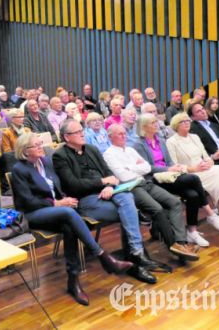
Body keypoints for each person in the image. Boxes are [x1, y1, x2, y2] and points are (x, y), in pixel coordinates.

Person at [11, 133, 133, 306]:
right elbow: (27, 201)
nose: (41, 147)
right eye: (36, 145)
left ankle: (73, 282)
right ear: (25, 151)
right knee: (69, 215)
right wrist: (57, 203)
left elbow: (58, 187)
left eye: (40, 143)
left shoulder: (45, 162)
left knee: (70, 227)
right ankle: (103, 256)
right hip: (33, 213)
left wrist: (67, 200)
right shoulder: (19, 169)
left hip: (56, 211)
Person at [52, 120, 159, 284]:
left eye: (82, 130)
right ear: (67, 137)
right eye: (77, 132)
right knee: (128, 211)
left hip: (108, 193)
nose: (83, 133)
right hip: (86, 199)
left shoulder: (92, 149)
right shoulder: (60, 156)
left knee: (126, 197)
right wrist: (103, 182)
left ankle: (136, 254)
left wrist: (109, 186)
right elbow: (73, 185)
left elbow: (109, 173)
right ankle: (137, 260)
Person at [103, 124, 199, 261]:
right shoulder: (108, 154)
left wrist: (130, 167)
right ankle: (174, 245)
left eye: (124, 133)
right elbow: (124, 176)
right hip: (131, 188)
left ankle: (182, 243)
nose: (124, 136)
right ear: (110, 137)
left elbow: (147, 167)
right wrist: (137, 166)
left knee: (175, 202)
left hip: (145, 183)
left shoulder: (130, 150)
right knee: (157, 209)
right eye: (119, 134)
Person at [135, 113, 219, 247]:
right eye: (153, 123)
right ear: (144, 127)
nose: (157, 125)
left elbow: (169, 161)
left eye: (156, 122)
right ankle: (210, 214)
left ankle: (192, 230)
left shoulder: (160, 140)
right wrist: (168, 169)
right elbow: (146, 168)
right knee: (194, 178)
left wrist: (174, 166)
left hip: (171, 176)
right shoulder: (139, 144)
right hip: (156, 180)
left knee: (193, 195)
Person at [165, 113, 219, 237]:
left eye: (188, 120)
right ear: (176, 125)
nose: (187, 123)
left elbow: (206, 157)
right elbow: (174, 165)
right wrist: (193, 168)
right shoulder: (171, 142)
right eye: (182, 121)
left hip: (204, 169)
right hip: (191, 174)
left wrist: (209, 162)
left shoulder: (195, 137)